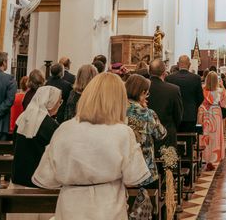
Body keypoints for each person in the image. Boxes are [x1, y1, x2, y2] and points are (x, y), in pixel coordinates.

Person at [33, 73, 150, 220]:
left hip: (71, 208)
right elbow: (134, 178)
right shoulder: (122, 133)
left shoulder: (64, 129)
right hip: (107, 207)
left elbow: (47, 177)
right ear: (119, 101)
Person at [10, 87, 62, 220]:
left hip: (19, 178)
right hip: (40, 183)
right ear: (50, 102)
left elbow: (14, 145)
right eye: (58, 101)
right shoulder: (50, 125)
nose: (59, 104)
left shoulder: (22, 118)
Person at [125, 74, 167, 188]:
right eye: (146, 93)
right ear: (142, 92)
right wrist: (146, 109)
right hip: (144, 167)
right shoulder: (146, 113)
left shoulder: (116, 108)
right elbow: (161, 134)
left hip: (122, 166)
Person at [147, 59, 183, 150]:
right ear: (164, 73)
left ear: (149, 71)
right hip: (168, 135)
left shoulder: (142, 88)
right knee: (168, 163)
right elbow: (178, 115)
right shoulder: (173, 90)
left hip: (147, 134)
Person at [198, 72, 226, 170]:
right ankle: (214, 158)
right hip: (215, 113)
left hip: (205, 113)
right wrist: (221, 85)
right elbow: (225, 101)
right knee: (215, 136)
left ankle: (205, 157)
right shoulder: (220, 91)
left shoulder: (202, 90)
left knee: (205, 135)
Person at [166, 55, 205, 132]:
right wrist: (193, 106)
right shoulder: (196, 78)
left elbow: (167, 97)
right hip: (190, 115)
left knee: (175, 140)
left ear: (177, 64)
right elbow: (200, 98)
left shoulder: (169, 78)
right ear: (189, 64)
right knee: (189, 140)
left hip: (173, 115)